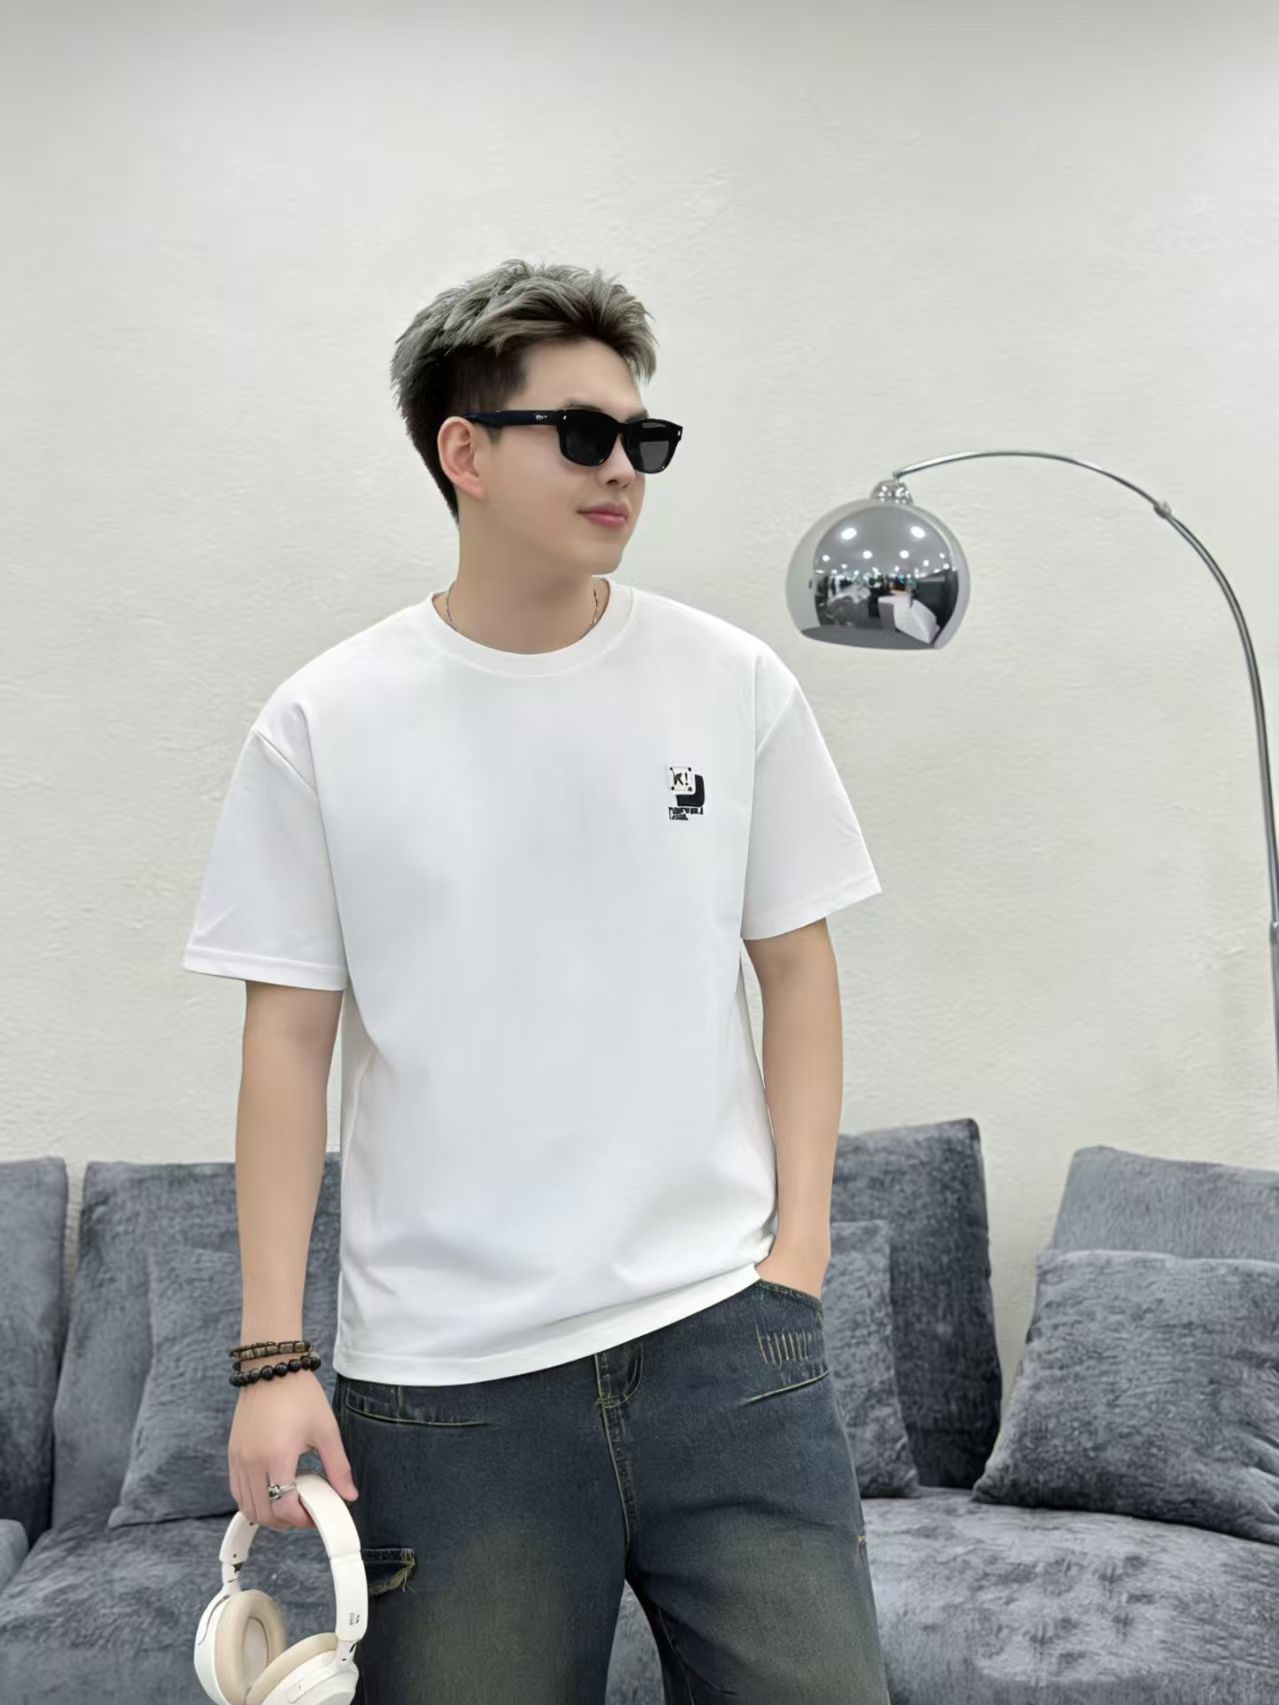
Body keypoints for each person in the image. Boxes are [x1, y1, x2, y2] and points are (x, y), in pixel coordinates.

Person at [182, 257, 892, 1703]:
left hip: (726, 1347)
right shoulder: (324, 721)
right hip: (449, 1390)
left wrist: (797, 1260)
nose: (623, 468)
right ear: (464, 451)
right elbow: (286, 1047)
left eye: (644, 438)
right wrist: (270, 1356)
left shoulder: (732, 682)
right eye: (581, 434)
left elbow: (798, 969)